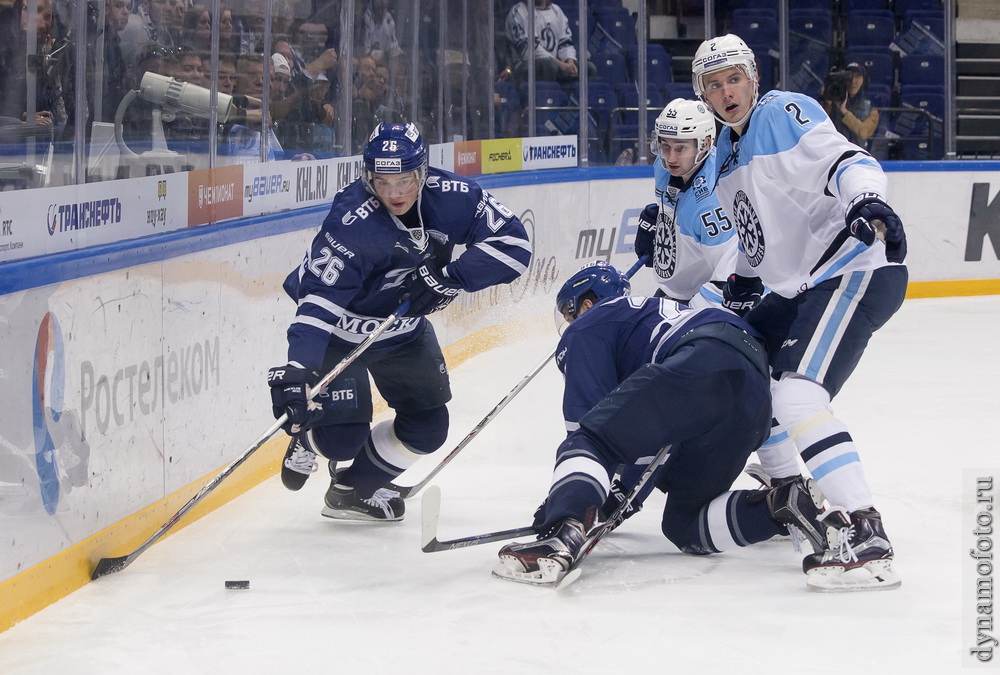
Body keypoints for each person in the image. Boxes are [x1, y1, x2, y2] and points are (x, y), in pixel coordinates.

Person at [691, 34, 907, 591]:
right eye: (713, 85)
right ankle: (796, 495)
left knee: (797, 395)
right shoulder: (722, 154)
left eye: (734, 78)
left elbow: (845, 161)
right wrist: (740, 276)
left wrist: (865, 201)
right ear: (704, 95)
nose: (726, 91)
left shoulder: (785, 111)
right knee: (745, 375)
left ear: (753, 78)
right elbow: (759, 231)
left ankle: (867, 530)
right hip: (798, 286)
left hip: (853, 269)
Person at [494, 262, 832, 584]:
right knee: (685, 525)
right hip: (753, 396)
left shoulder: (590, 324)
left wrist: (569, 503)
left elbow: (591, 429)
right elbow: (646, 436)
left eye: (569, 314)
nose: (569, 325)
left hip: (702, 364)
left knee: (591, 440)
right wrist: (621, 493)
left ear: (586, 304)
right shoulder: (651, 316)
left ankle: (561, 536)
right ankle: (782, 504)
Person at [268, 122, 532, 522]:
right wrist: (300, 369)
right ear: (367, 176)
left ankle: (353, 491)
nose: (394, 193)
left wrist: (450, 277)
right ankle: (309, 439)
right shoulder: (351, 222)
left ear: (422, 172)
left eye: (405, 180)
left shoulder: (454, 197)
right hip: (342, 333)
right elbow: (318, 301)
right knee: (340, 440)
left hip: (402, 332)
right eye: (382, 181)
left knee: (429, 428)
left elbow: (515, 245)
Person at [634, 98, 738, 310]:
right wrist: (665, 220)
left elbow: (727, 279)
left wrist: (692, 315)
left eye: (680, 148)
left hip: (700, 296)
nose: (670, 157)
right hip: (673, 290)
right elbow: (679, 200)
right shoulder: (665, 166)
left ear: (706, 144)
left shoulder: (710, 203)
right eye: (665, 145)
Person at [504, 0, 594, 83]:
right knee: (549, 66)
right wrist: (560, 64)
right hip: (524, 68)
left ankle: (571, 98)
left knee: (588, 68)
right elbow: (529, 50)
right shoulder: (519, 11)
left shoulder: (556, 10)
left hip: (555, 65)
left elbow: (565, 41)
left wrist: (569, 61)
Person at [821, 62, 879, 148]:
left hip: (856, 157)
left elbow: (864, 132)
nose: (853, 81)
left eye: (857, 76)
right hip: (832, 153)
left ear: (864, 80)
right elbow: (818, 126)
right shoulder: (831, 102)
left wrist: (844, 112)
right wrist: (827, 102)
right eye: (849, 77)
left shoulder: (871, 110)